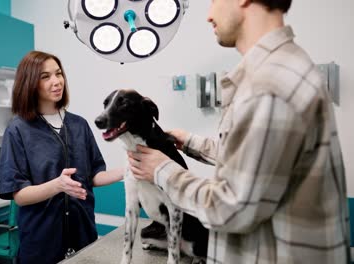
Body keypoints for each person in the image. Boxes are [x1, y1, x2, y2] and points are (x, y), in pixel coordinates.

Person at [128, 0, 351, 263]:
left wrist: (163, 170)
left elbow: (232, 208)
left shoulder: (270, 84)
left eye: (213, 1)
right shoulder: (281, 69)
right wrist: (190, 142)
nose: (209, 16)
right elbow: (258, 166)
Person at [0, 50, 123, 264]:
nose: (56, 81)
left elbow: (92, 176)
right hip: (42, 242)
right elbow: (19, 195)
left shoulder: (79, 125)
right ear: (30, 83)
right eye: (45, 77)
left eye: (58, 74)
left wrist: (128, 170)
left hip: (83, 234)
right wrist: (57, 185)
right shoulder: (18, 130)